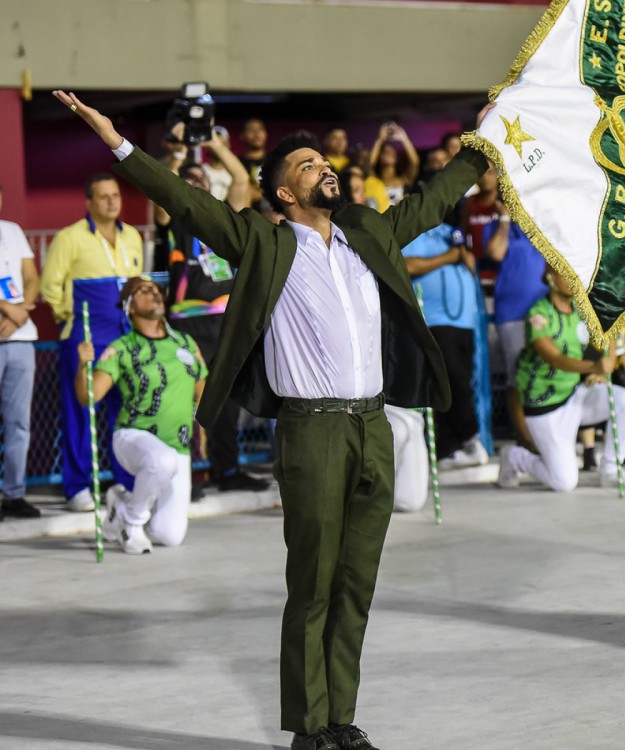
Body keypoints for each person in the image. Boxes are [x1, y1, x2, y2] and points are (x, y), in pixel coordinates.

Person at [56, 89, 491, 750]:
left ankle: (341, 719)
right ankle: (308, 728)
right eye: (310, 164)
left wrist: (478, 147)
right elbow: (189, 203)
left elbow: (431, 201)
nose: (325, 168)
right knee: (312, 585)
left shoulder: (369, 232)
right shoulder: (264, 241)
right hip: (312, 430)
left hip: (373, 426)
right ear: (286, 193)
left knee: (356, 585)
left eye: (325, 160)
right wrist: (118, 142)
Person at [165, 149, 269, 494]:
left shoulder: (225, 217)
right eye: (188, 180)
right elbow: (161, 191)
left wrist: (210, 137)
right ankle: (187, 474)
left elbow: (241, 179)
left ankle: (227, 471)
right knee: (185, 399)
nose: (197, 183)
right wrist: (176, 159)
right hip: (188, 324)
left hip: (226, 322)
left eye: (201, 178)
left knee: (225, 401)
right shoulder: (176, 217)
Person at [77, 277, 207, 554]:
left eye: (156, 290)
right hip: (133, 437)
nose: (154, 294)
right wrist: (82, 366)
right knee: (162, 460)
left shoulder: (185, 342)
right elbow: (89, 396)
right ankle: (131, 523)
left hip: (179, 446)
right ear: (129, 307)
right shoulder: (121, 348)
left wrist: (204, 432)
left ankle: (120, 505)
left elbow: (203, 393)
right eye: (143, 292)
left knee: (169, 536)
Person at [41, 173, 141, 511]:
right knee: (81, 411)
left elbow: (137, 288)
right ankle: (78, 487)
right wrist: (68, 320)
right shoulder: (69, 238)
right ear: (89, 202)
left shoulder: (133, 237)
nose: (112, 201)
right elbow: (50, 287)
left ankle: (125, 483)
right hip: (85, 339)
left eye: (116, 195)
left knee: (125, 412)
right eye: (103, 196)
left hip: (125, 339)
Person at [498, 269, 625, 492]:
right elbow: (555, 359)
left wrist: (608, 363)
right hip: (544, 406)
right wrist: (593, 366)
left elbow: (609, 329)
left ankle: (612, 469)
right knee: (564, 483)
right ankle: (515, 457)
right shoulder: (539, 313)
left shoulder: (582, 309)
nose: (575, 279)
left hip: (574, 396)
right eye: (567, 274)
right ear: (551, 277)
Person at [402, 219, 488, 468]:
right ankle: (469, 437)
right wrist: (449, 257)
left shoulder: (453, 233)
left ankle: (449, 448)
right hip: (435, 322)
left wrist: (467, 260)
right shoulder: (414, 231)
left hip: (465, 322)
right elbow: (407, 265)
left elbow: (462, 257)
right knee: (455, 381)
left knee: (457, 383)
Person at [486, 200, 548, 451]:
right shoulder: (498, 225)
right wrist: (504, 219)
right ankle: (524, 436)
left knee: (545, 370)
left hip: (544, 310)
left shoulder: (542, 223)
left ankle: (543, 433)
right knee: (518, 377)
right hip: (512, 312)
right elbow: (496, 253)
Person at [0, 185, 41, 520]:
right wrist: (7, 307)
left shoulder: (12, 231)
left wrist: (19, 315)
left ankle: (13, 494)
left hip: (21, 339)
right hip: (12, 323)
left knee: (19, 423)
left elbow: (31, 279)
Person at [369, 122, 420, 205]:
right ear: (379, 158)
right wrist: (379, 139)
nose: (389, 153)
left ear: (396, 159)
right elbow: (369, 165)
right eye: (385, 152)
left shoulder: (404, 180)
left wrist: (404, 139)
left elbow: (414, 163)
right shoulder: (374, 180)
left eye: (392, 152)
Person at [239, 118, 269, 205]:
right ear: (242, 135)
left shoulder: (275, 161)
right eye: (251, 130)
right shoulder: (237, 164)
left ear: (266, 134)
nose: (257, 134)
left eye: (260, 129)